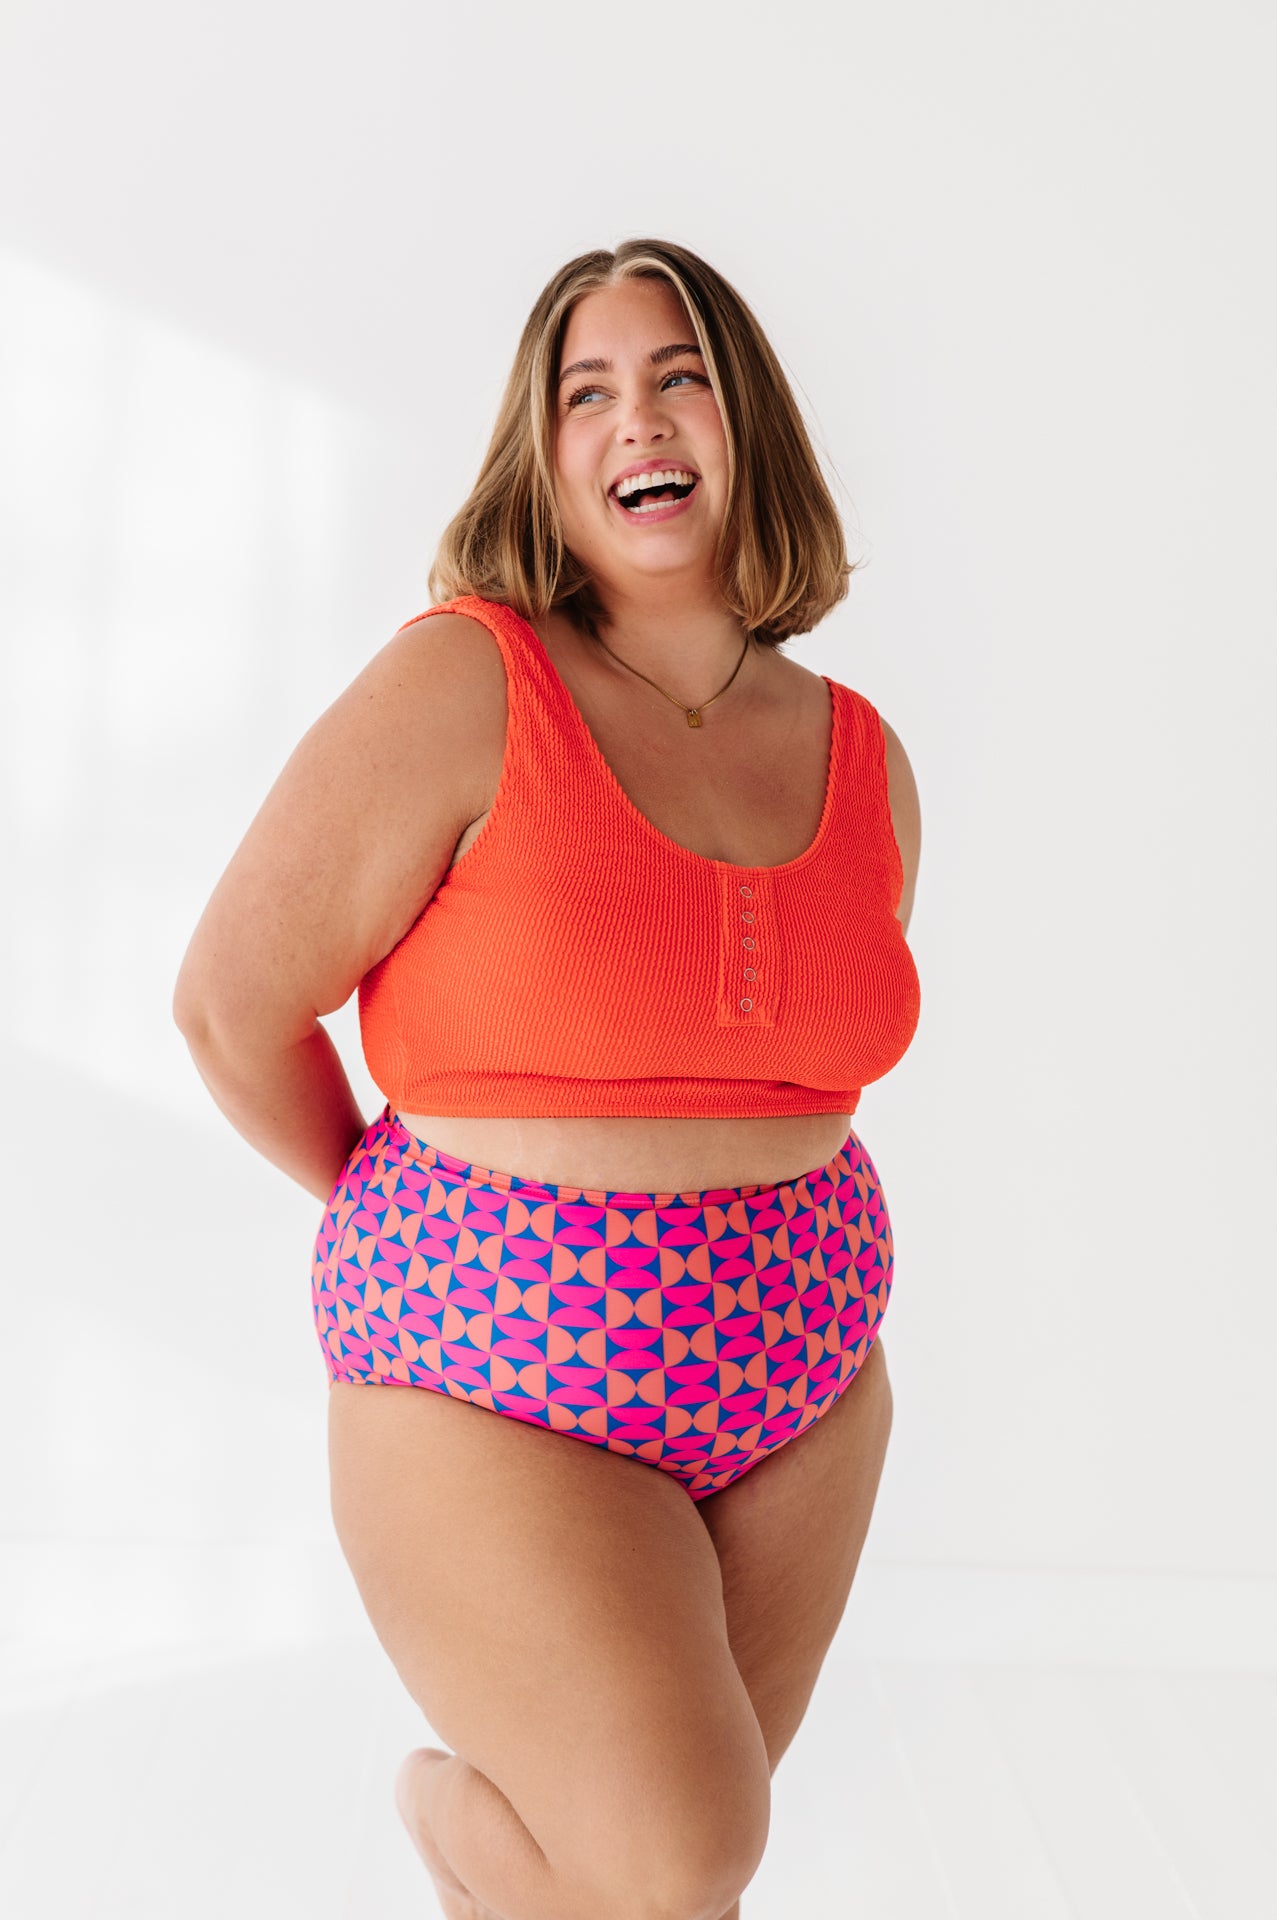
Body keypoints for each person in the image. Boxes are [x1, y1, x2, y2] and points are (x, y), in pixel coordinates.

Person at [173, 237, 922, 1920]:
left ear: (745, 423)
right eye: (587, 392)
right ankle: (448, 1821)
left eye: (678, 377)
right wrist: (428, 1221)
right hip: (489, 1378)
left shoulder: (864, 756)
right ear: (545, 450)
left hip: (802, 1389)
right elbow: (229, 1005)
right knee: (674, 1859)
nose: (635, 419)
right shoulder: (466, 680)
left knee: (657, 1893)